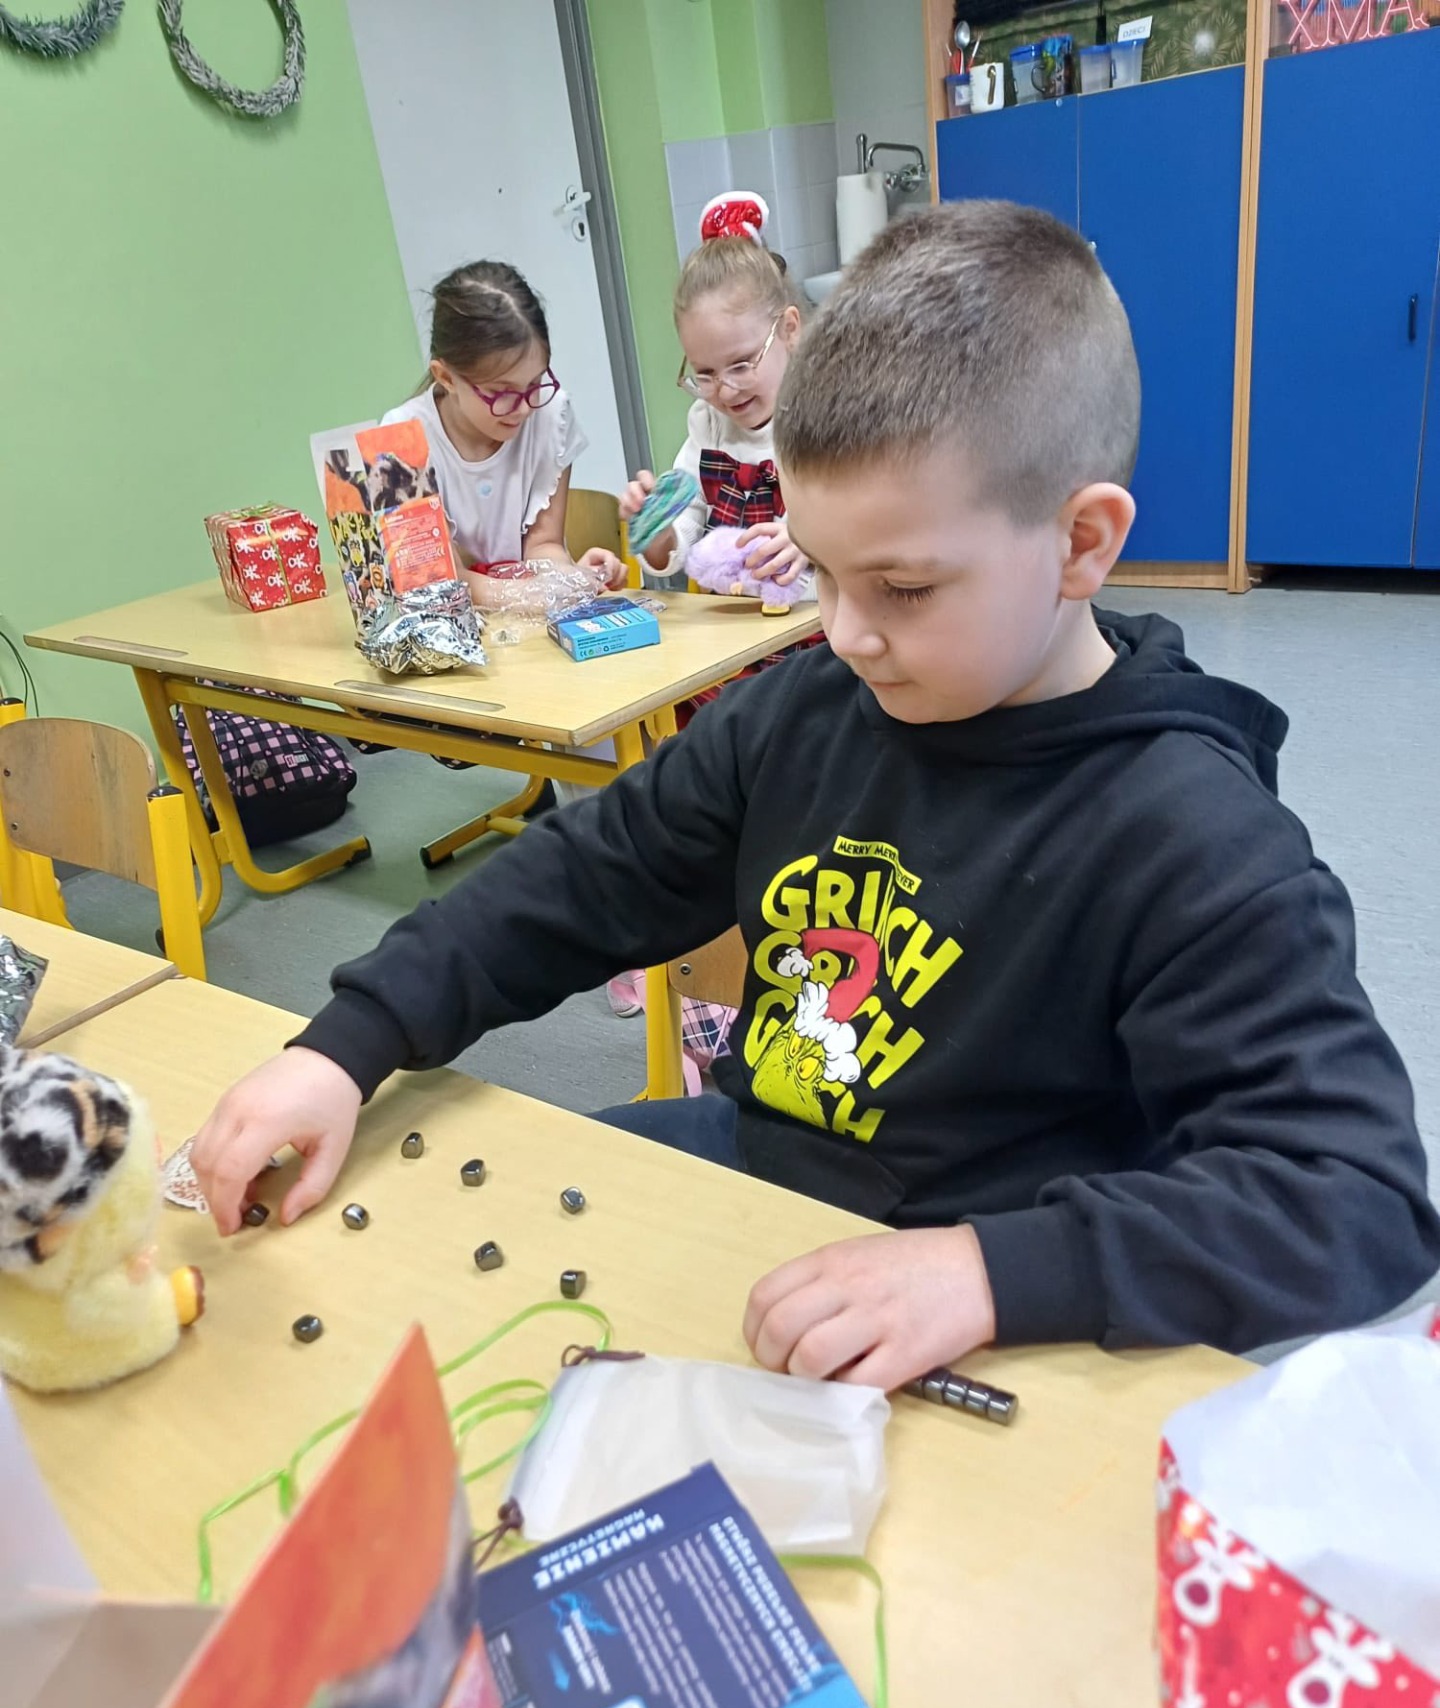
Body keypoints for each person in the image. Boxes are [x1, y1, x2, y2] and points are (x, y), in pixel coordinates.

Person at [192, 201, 1440, 1389]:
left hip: (999, 1280)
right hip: (761, 1169)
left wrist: (990, 1274)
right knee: (405, 1276)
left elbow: (1355, 1200)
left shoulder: (1192, 834)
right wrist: (346, 1047)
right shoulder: (804, 712)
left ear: (1080, 543)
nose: (843, 634)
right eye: (823, 571)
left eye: (903, 588)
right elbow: (576, 881)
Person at [383, 259, 626, 609]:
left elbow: (543, 543)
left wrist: (569, 579)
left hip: (529, 624)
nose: (524, 407)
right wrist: (522, 594)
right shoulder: (399, 439)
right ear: (446, 377)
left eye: (534, 384)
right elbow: (434, 576)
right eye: (502, 393)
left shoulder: (551, 413)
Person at [620, 191, 807, 600]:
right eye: (705, 374)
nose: (724, 389)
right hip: (737, 632)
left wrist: (812, 539)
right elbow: (685, 526)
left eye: (741, 364)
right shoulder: (709, 424)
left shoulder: (828, 418)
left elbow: (875, 520)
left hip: (821, 627)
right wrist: (658, 531)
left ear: (789, 330)